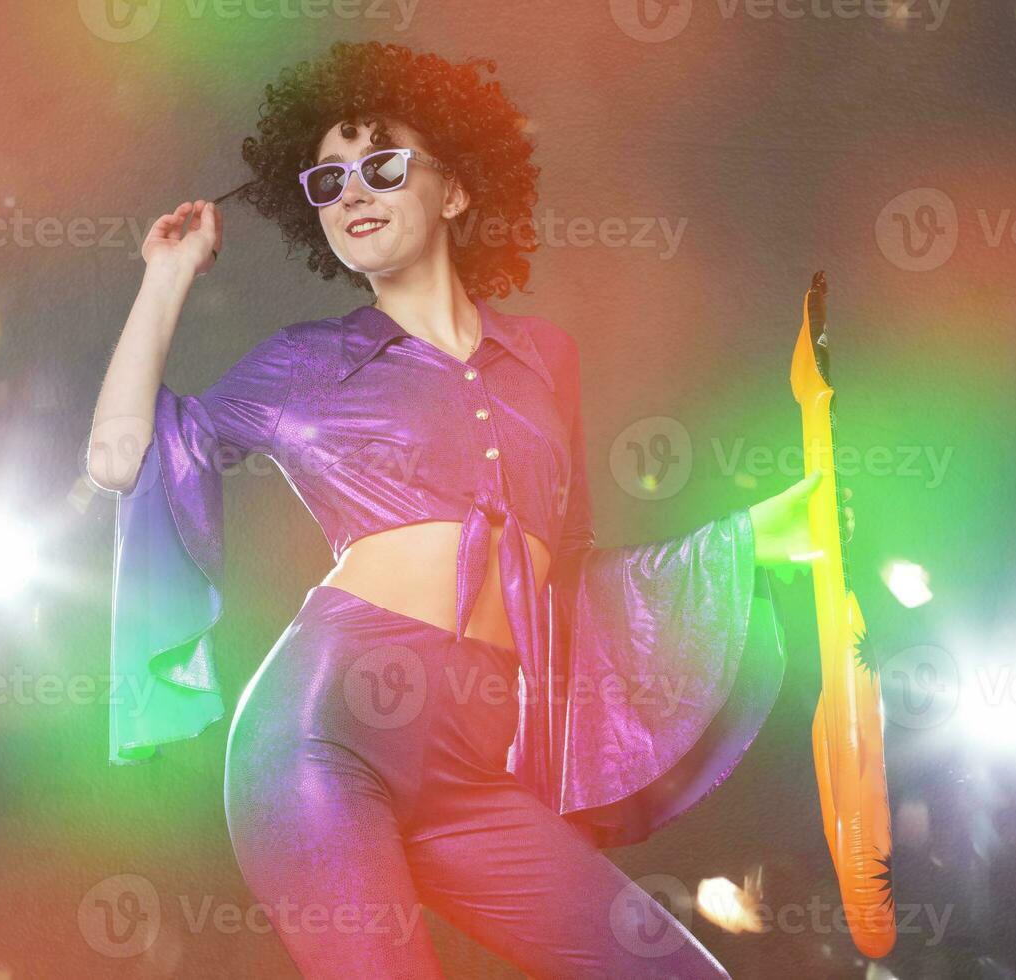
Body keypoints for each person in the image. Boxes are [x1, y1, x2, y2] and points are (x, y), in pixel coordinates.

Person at [88, 40, 848, 980]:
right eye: (328, 179)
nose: (354, 192)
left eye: (384, 165)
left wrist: (753, 535)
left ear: (453, 189)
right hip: (320, 738)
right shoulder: (300, 363)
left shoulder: (545, 360)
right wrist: (165, 274)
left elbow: (568, 580)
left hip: (470, 775)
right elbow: (120, 459)